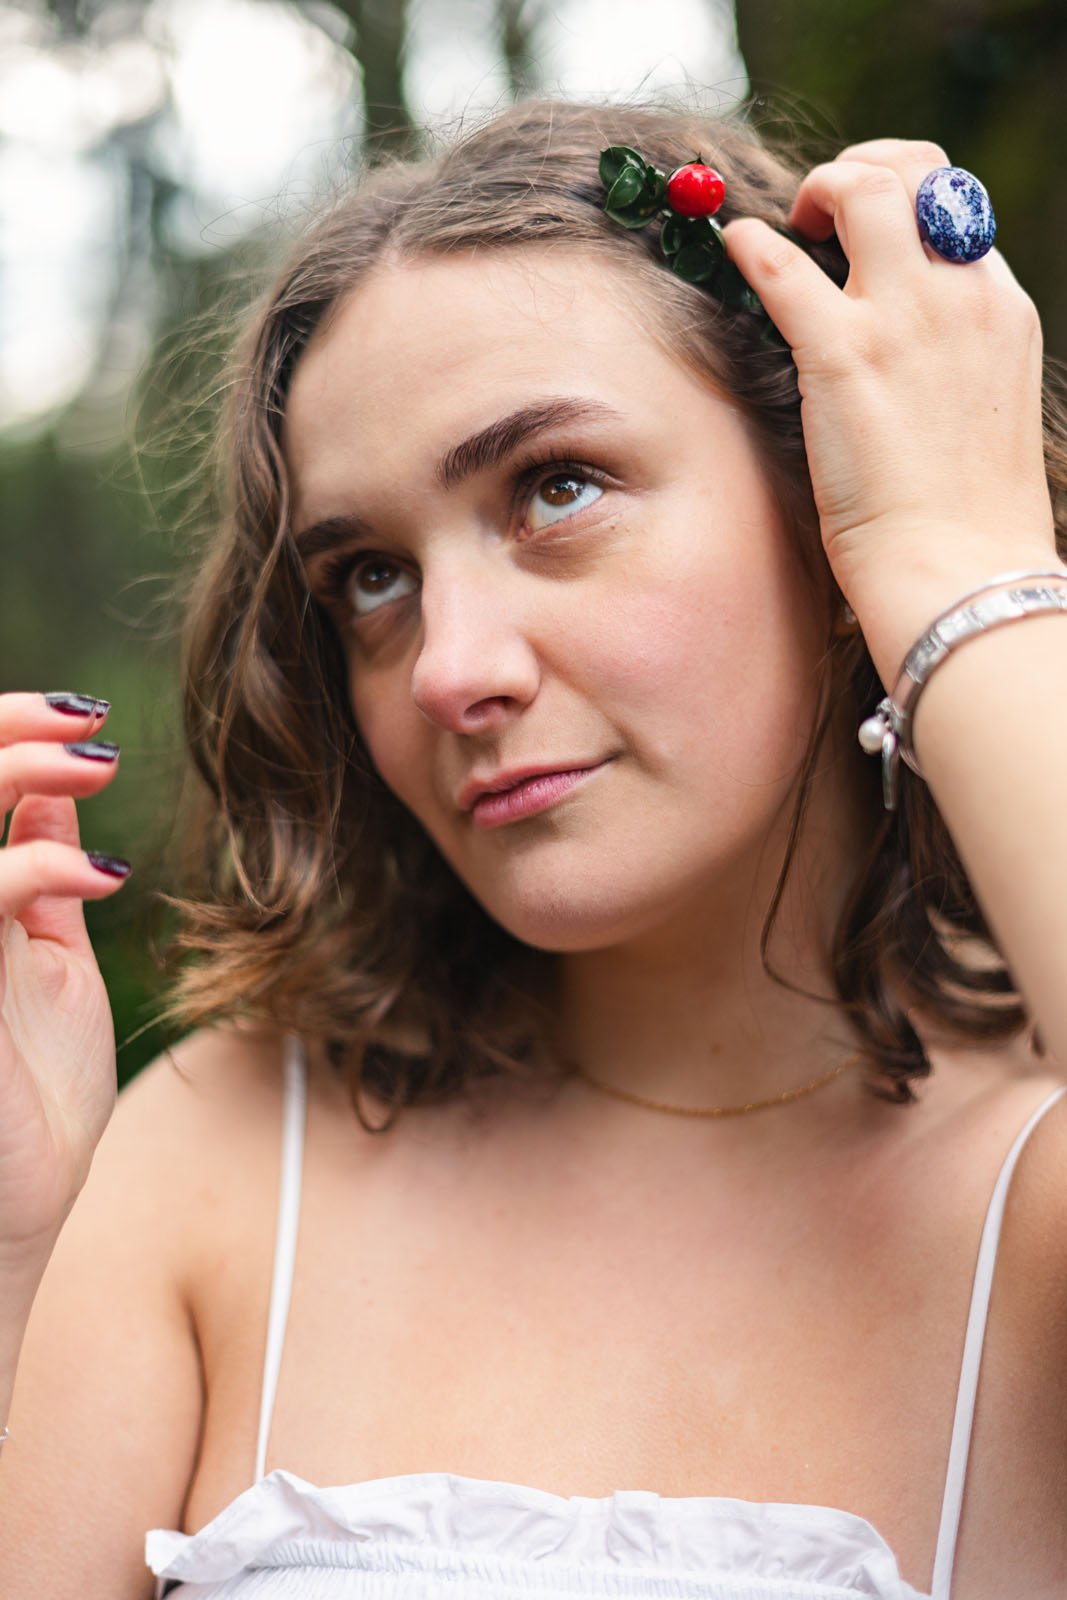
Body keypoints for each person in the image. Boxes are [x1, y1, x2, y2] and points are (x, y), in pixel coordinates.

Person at [1, 96, 1065, 1600]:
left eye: (557, 488)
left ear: (830, 496)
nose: (447, 667)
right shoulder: (224, 1154)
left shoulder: (1034, 1188)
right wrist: (9, 1274)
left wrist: (963, 567)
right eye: (370, 575)